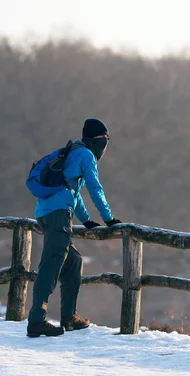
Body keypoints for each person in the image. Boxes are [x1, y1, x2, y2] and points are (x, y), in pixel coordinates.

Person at [27, 118, 122, 338]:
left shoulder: (73, 151)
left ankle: (69, 317)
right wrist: (109, 219)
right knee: (51, 264)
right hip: (58, 214)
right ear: (99, 139)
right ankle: (36, 320)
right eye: (106, 140)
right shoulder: (86, 155)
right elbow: (94, 188)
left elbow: (72, 190)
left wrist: (87, 220)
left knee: (73, 261)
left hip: (46, 212)